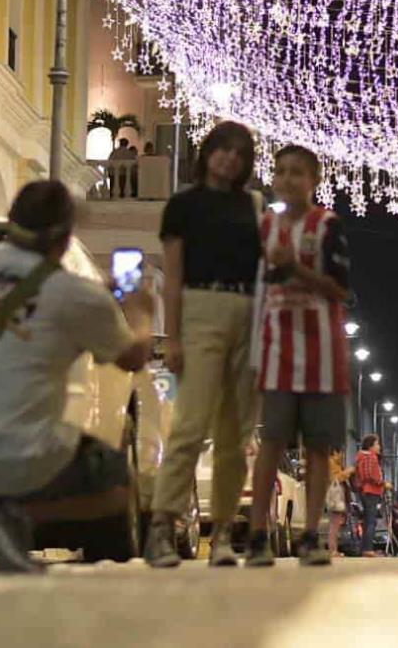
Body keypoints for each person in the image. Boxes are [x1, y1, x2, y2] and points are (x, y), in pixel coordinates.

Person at [0, 181, 154, 573]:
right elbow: (133, 357)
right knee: (117, 483)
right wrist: (142, 312)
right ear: (65, 236)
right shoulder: (75, 294)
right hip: (16, 456)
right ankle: (13, 515)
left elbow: (31, 298)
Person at [144, 122, 262, 569]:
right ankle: (161, 527)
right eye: (222, 149)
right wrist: (172, 336)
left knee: (237, 435)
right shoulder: (183, 205)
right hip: (199, 307)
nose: (229, 158)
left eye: (238, 152)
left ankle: (225, 535)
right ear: (207, 151)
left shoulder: (252, 205)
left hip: (248, 313)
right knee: (191, 424)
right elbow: (171, 276)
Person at [246, 145, 352, 567]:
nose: (287, 179)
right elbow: (255, 282)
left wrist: (296, 268)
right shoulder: (264, 226)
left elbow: (340, 289)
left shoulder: (327, 225)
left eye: (297, 173)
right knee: (270, 441)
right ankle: (256, 534)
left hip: (322, 349)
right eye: (280, 171)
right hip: (276, 346)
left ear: (314, 180)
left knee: (316, 446)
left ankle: (310, 535)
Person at [355, 434, 387, 558]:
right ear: (370, 446)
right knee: (371, 521)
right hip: (370, 491)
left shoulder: (362, 457)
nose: (379, 447)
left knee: (368, 521)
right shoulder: (369, 457)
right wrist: (383, 483)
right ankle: (368, 549)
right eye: (377, 444)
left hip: (366, 491)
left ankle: (364, 548)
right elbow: (369, 475)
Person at [327, 448, 354, 557]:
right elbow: (335, 478)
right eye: (341, 453)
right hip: (335, 497)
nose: (342, 456)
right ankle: (332, 550)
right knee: (334, 525)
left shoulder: (334, 464)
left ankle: (334, 549)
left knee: (335, 525)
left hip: (336, 497)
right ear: (335, 453)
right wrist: (348, 472)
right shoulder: (331, 463)